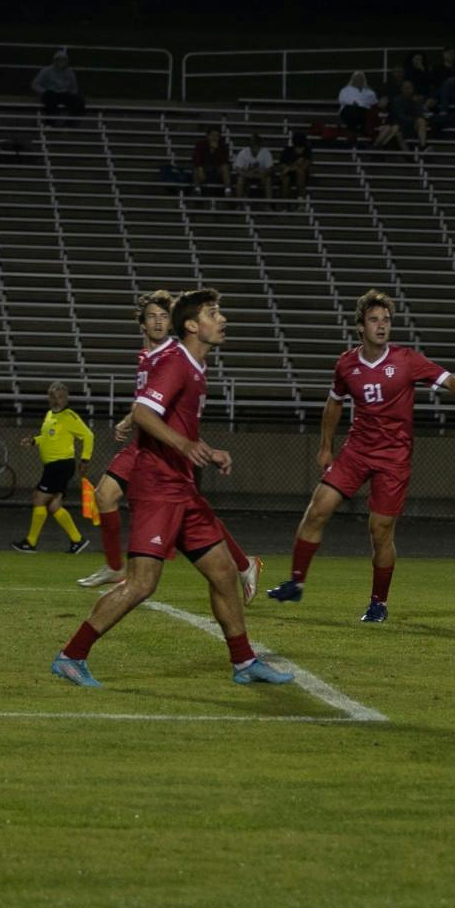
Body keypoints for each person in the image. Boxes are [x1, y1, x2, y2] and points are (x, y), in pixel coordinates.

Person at [48, 290, 292, 690]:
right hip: (158, 488)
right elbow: (144, 413)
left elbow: (179, 427)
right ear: (193, 325)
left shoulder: (195, 365)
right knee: (142, 583)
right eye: (213, 313)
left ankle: (244, 662)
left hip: (182, 488)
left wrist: (207, 451)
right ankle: (71, 655)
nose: (222, 319)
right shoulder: (177, 362)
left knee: (224, 572)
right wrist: (184, 445)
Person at [267, 290, 455, 621]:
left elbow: (448, 379)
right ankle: (296, 583)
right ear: (361, 327)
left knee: (380, 532)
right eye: (374, 320)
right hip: (357, 451)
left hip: (393, 459)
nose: (382, 325)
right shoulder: (346, 364)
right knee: (317, 511)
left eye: (386, 320)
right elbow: (334, 403)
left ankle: (378, 603)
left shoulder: (406, 359)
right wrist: (326, 446)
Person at [77, 292, 176, 587]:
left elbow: (160, 404)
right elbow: (145, 401)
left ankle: (242, 563)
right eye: (152, 316)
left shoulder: (172, 357)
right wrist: (128, 419)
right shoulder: (146, 357)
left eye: (164, 316)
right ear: (142, 324)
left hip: (165, 447)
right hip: (142, 443)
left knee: (187, 515)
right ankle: (114, 566)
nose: (158, 322)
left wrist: (130, 419)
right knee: (104, 496)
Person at [13, 383, 92, 554]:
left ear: (66, 398)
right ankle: (77, 540)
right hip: (54, 466)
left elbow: (88, 435)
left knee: (38, 498)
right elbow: (47, 437)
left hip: (60, 465)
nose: (56, 400)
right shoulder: (50, 415)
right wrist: (33, 441)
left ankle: (30, 542)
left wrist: (85, 459)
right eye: (53, 397)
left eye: (60, 397)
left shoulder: (69, 416)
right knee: (54, 505)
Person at [32, 50, 84, 116]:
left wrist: (73, 93)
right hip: (51, 93)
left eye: (64, 60)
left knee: (79, 102)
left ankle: (71, 121)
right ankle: (51, 121)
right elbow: (35, 84)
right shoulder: (46, 71)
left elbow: (74, 87)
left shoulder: (70, 72)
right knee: (50, 102)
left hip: (65, 94)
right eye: (59, 60)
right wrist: (44, 91)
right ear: (55, 61)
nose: (61, 62)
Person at [231, 133, 275, 201]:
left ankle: (269, 204)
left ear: (260, 145)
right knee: (240, 179)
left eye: (256, 144)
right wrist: (247, 174)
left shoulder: (266, 152)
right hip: (247, 176)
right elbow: (238, 169)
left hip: (261, 176)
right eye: (253, 144)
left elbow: (270, 169)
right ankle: (239, 203)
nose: (255, 147)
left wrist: (262, 173)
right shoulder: (243, 152)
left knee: (268, 180)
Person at [190, 127, 230, 198]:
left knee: (225, 167)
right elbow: (196, 159)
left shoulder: (222, 146)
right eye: (212, 135)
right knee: (197, 168)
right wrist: (200, 169)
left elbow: (224, 161)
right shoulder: (200, 145)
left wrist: (216, 149)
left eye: (217, 136)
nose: (214, 138)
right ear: (208, 136)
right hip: (204, 170)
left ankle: (228, 191)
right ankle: (197, 190)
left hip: (217, 171)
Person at [278, 130, 313, 199]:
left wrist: (289, 168)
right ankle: (285, 203)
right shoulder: (287, 150)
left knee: (300, 172)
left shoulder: (307, 151)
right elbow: (282, 166)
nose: (301, 149)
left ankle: (301, 201)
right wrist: (296, 164)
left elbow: (305, 166)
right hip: (289, 175)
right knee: (285, 179)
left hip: (301, 175)